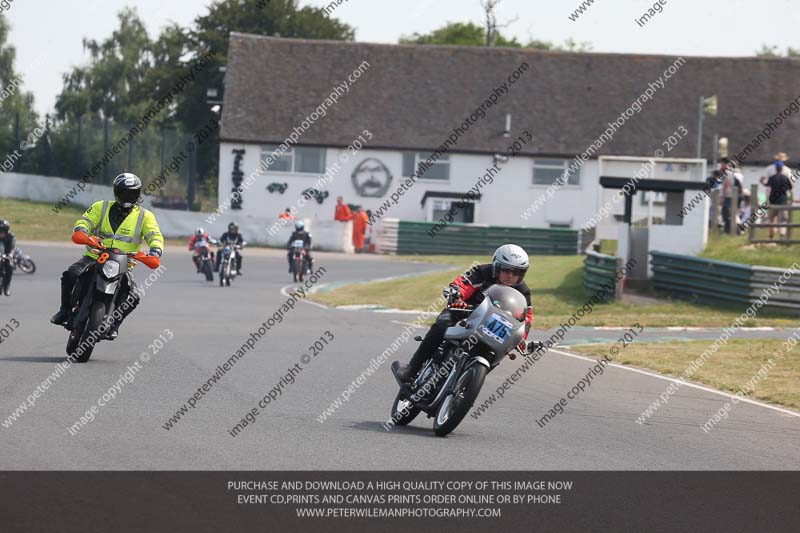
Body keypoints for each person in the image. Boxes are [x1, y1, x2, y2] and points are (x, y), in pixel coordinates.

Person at [392, 244, 533, 383]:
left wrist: (521, 338)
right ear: (496, 267)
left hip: (492, 328)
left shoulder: (523, 291)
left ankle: (466, 386)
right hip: (465, 313)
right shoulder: (482, 272)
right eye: (506, 270)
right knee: (442, 325)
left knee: (499, 353)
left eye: (516, 273)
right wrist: (457, 296)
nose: (510, 276)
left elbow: (526, 318)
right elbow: (462, 284)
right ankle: (412, 369)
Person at [50, 173, 164, 339]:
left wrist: (154, 251)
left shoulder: (145, 216)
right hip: (94, 256)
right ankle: (65, 310)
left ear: (138, 195)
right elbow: (85, 221)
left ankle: (114, 325)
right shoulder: (100, 207)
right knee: (71, 274)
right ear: (116, 192)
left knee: (133, 296)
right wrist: (81, 232)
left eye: (132, 193)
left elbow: (155, 236)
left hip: (123, 263)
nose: (128, 197)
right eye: (124, 192)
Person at [760, 160, 794, 239]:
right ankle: (782, 236)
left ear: (775, 168)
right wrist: (791, 200)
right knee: (783, 220)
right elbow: (791, 188)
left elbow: (767, 187)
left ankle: (771, 236)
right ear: (782, 168)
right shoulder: (786, 178)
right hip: (783, 201)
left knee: (771, 219)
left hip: (773, 202)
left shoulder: (772, 178)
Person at [719, 157, 744, 233]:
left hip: (728, 196)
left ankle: (733, 230)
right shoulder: (729, 172)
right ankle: (729, 230)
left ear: (725, 164)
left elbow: (726, 185)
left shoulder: (728, 173)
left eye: (722, 164)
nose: (721, 165)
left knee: (727, 213)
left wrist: (722, 197)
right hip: (729, 196)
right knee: (728, 213)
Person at [0, 220, 16, 296]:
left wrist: (10, 255)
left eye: (2, 232)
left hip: (7, 255)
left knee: (10, 268)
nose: (0, 234)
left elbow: (12, 247)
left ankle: (6, 287)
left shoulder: (11, 236)